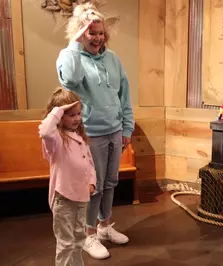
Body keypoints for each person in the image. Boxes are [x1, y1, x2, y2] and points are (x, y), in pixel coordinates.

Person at [55, 2, 135, 260]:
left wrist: (127, 128)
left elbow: (124, 96)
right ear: (80, 33)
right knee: (95, 186)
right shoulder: (70, 57)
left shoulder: (113, 59)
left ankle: (104, 227)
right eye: (91, 33)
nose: (98, 38)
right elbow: (69, 80)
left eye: (101, 33)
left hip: (114, 132)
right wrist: (74, 46)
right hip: (90, 134)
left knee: (111, 182)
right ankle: (88, 235)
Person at [39, 88, 97, 266]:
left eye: (79, 113)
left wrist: (92, 182)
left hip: (81, 197)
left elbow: (89, 163)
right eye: (70, 114)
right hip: (63, 198)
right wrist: (58, 110)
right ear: (60, 115)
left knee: (79, 238)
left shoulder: (80, 137)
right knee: (66, 243)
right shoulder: (55, 139)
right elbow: (45, 131)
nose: (77, 118)